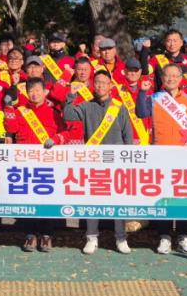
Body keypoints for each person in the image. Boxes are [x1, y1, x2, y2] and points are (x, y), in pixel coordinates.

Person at [136, 64, 187, 255]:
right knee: (164, 197)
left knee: (183, 196)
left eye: (175, 75)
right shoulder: (155, 98)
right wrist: (142, 93)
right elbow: (141, 113)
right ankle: (164, 236)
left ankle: (183, 236)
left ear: (181, 78)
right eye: (168, 75)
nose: (171, 79)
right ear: (162, 78)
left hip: (183, 156)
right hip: (160, 155)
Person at [64, 70, 134, 254]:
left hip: (117, 163)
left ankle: (121, 238)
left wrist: (128, 162)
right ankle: (91, 237)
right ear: (93, 85)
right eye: (97, 82)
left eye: (104, 82)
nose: (101, 85)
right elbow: (68, 115)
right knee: (92, 200)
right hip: (94, 162)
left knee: (118, 201)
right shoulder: (87, 106)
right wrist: (71, 95)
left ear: (111, 86)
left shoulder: (119, 107)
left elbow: (128, 136)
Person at [4, 77, 76, 252]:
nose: (34, 94)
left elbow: (67, 134)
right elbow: (11, 129)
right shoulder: (21, 111)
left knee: (47, 200)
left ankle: (46, 235)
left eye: (37, 90)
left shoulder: (53, 112)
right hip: (25, 163)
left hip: (47, 165)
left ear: (45, 92)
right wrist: (8, 108)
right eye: (31, 90)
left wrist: (56, 139)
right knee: (27, 200)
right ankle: (30, 235)